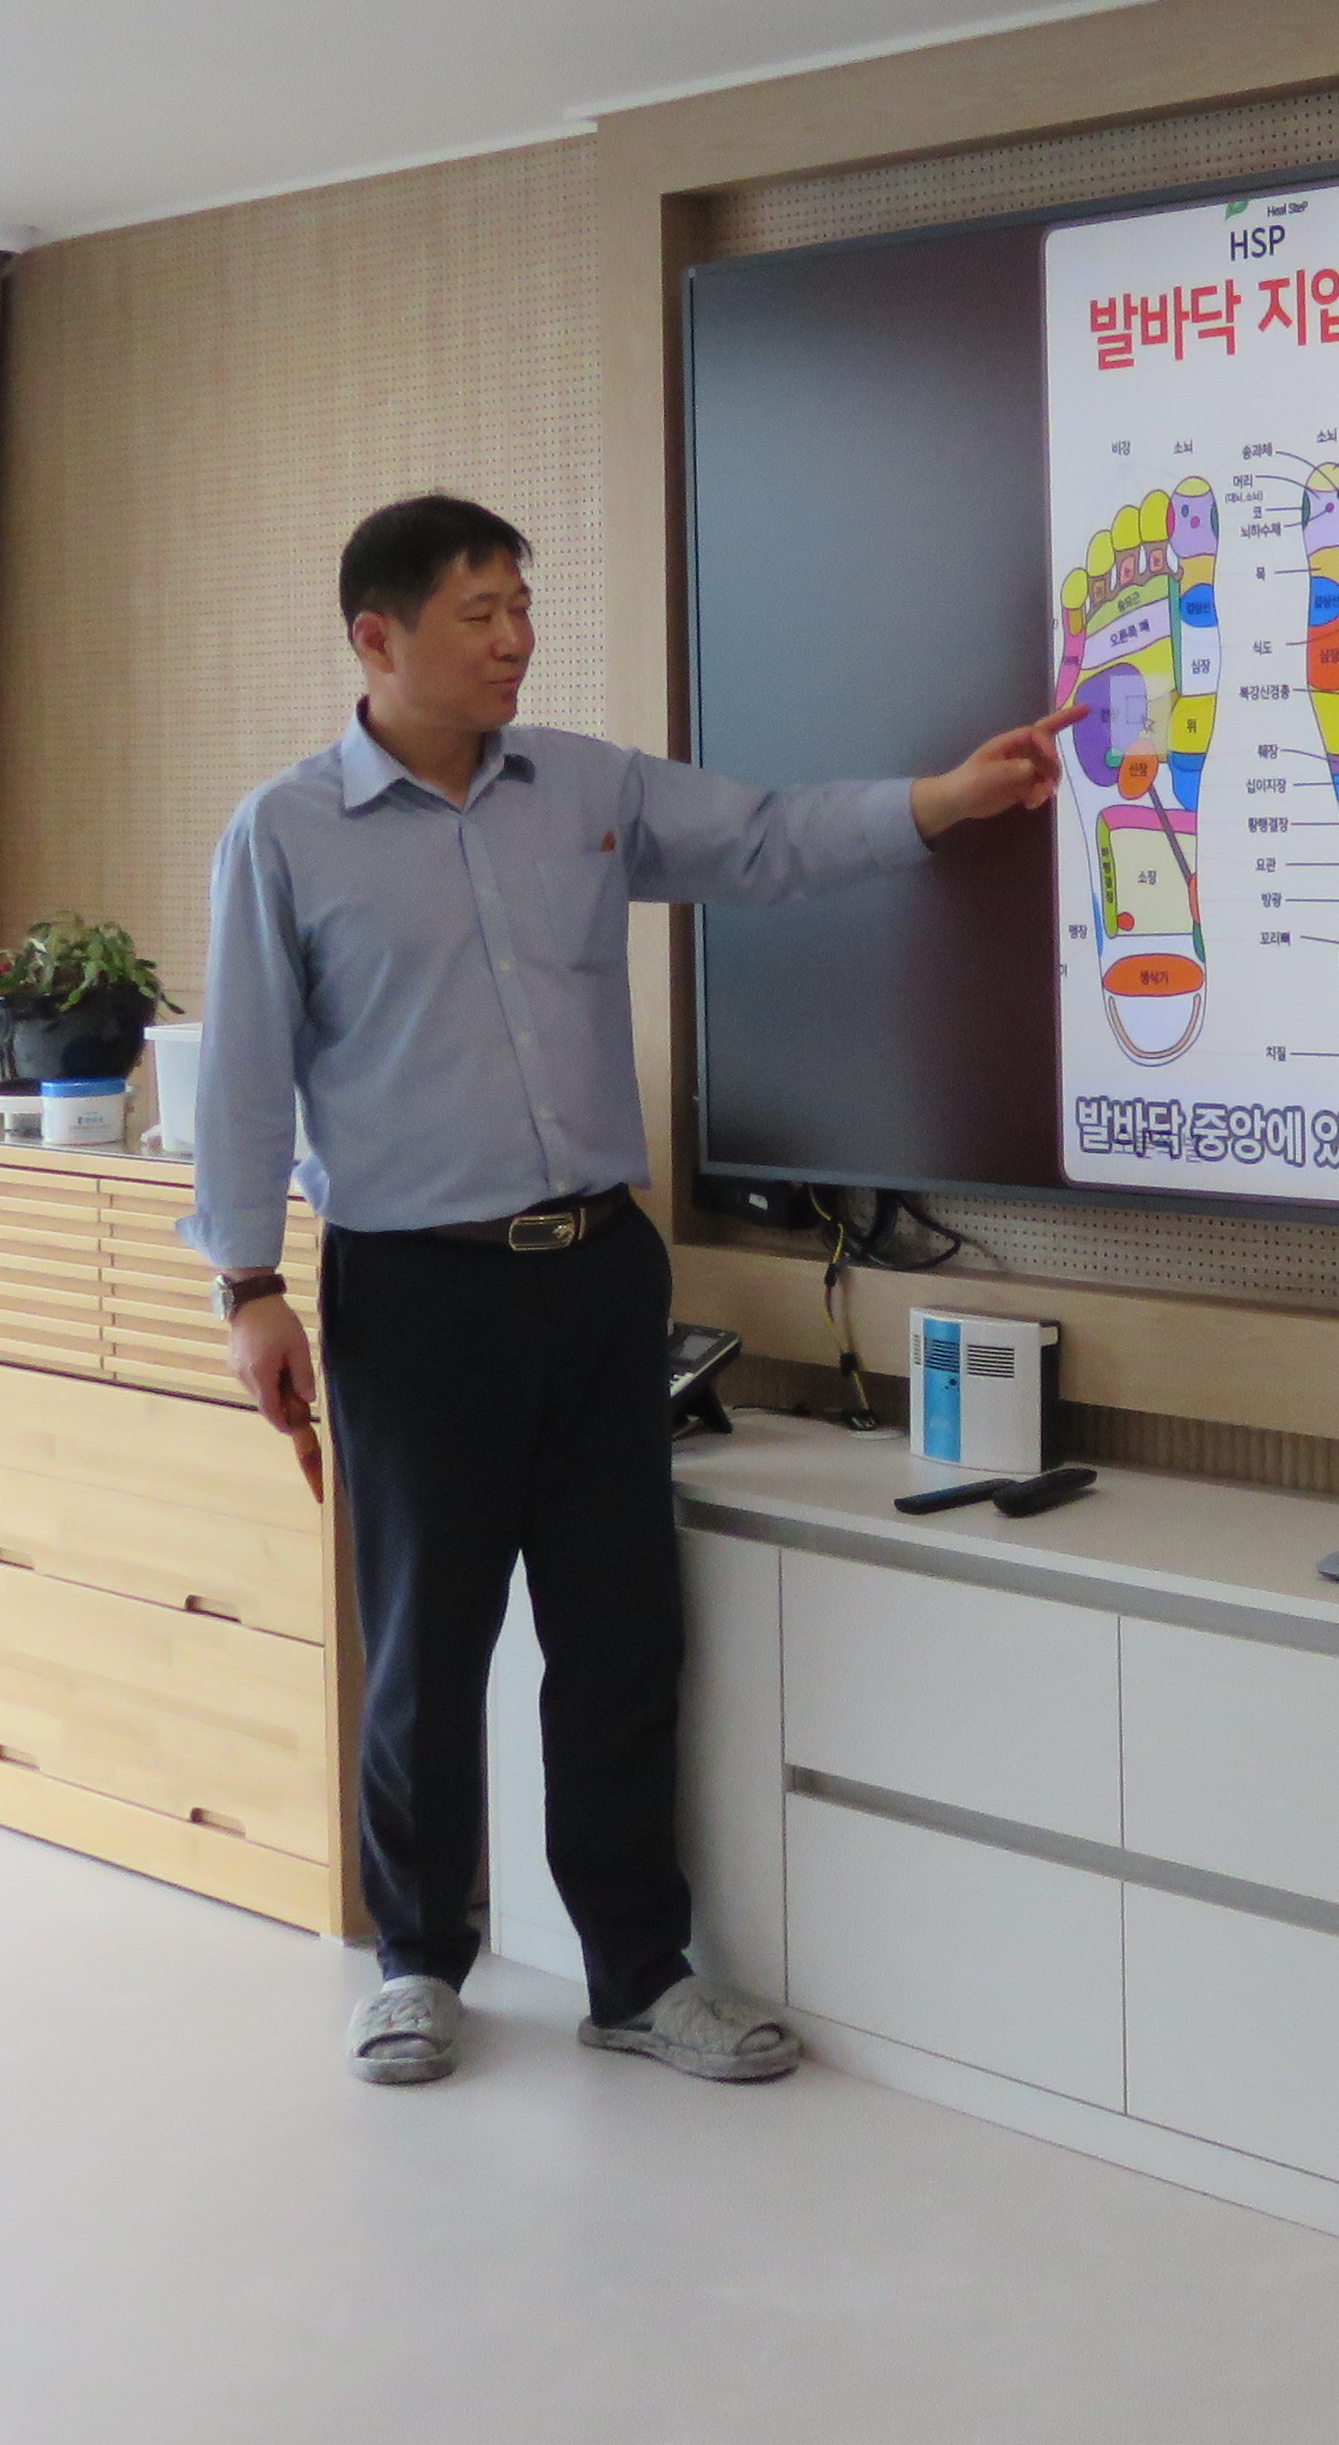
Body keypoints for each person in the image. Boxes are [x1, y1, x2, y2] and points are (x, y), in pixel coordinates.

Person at [182, 490, 1057, 2090]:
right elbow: (243, 1073)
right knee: (426, 1652)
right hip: (414, 1292)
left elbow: (768, 839)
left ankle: (638, 1975)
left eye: (522, 604)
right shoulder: (286, 833)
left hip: (595, 1275)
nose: (516, 638)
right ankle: (418, 1962)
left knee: (618, 1640)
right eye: (479, 613)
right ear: (377, 638)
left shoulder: (584, 789)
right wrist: (249, 1288)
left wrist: (948, 799)